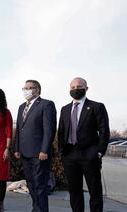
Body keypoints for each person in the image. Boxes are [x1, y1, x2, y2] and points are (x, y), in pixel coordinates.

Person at [58, 77, 109, 212]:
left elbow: (104, 131)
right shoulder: (65, 109)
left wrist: (99, 152)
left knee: (95, 191)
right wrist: (61, 152)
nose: (75, 89)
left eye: (79, 86)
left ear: (86, 88)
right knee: (74, 192)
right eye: (72, 87)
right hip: (70, 155)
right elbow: (61, 132)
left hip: (90, 155)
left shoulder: (96, 107)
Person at [14, 80, 56, 212]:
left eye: (30, 88)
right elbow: (20, 129)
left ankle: (42, 209)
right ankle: (36, 207)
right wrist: (16, 148)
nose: (26, 90)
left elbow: (49, 129)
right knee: (30, 183)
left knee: (40, 185)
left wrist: (44, 150)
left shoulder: (46, 104)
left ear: (37, 90)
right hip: (25, 152)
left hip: (39, 153)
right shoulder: (22, 107)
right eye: (24, 88)